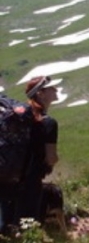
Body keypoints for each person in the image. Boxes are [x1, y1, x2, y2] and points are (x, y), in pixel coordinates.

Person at [1, 76, 60, 229]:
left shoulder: (20, 118)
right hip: (31, 181)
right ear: (40, 93)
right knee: (28, 227)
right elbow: (51, 158)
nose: (56, 89)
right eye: (51, 88)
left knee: (8, 226)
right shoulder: (48, 123)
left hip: (8, 177)